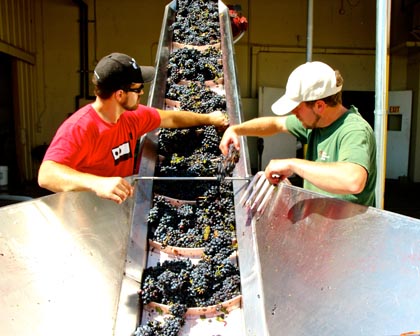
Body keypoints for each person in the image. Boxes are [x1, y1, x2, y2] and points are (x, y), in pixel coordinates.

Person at [38, 52, 228, 204]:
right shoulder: (80, 127)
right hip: (85, 219)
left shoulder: (130, 117)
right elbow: (46, 174)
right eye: (137, 89)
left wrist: (208, 118)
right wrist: (96, 183)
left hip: (119, 211)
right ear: (120, 95)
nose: (142, 93)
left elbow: (171, 118)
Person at [220, 61, 376, 206]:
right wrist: (236, 130)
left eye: (297, 107)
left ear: (319, 106)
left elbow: (353, 181)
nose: (293, 112)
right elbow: (275, 124)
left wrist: (292, 164)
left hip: (349, 231)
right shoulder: (315, 123)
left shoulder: (353, 131)